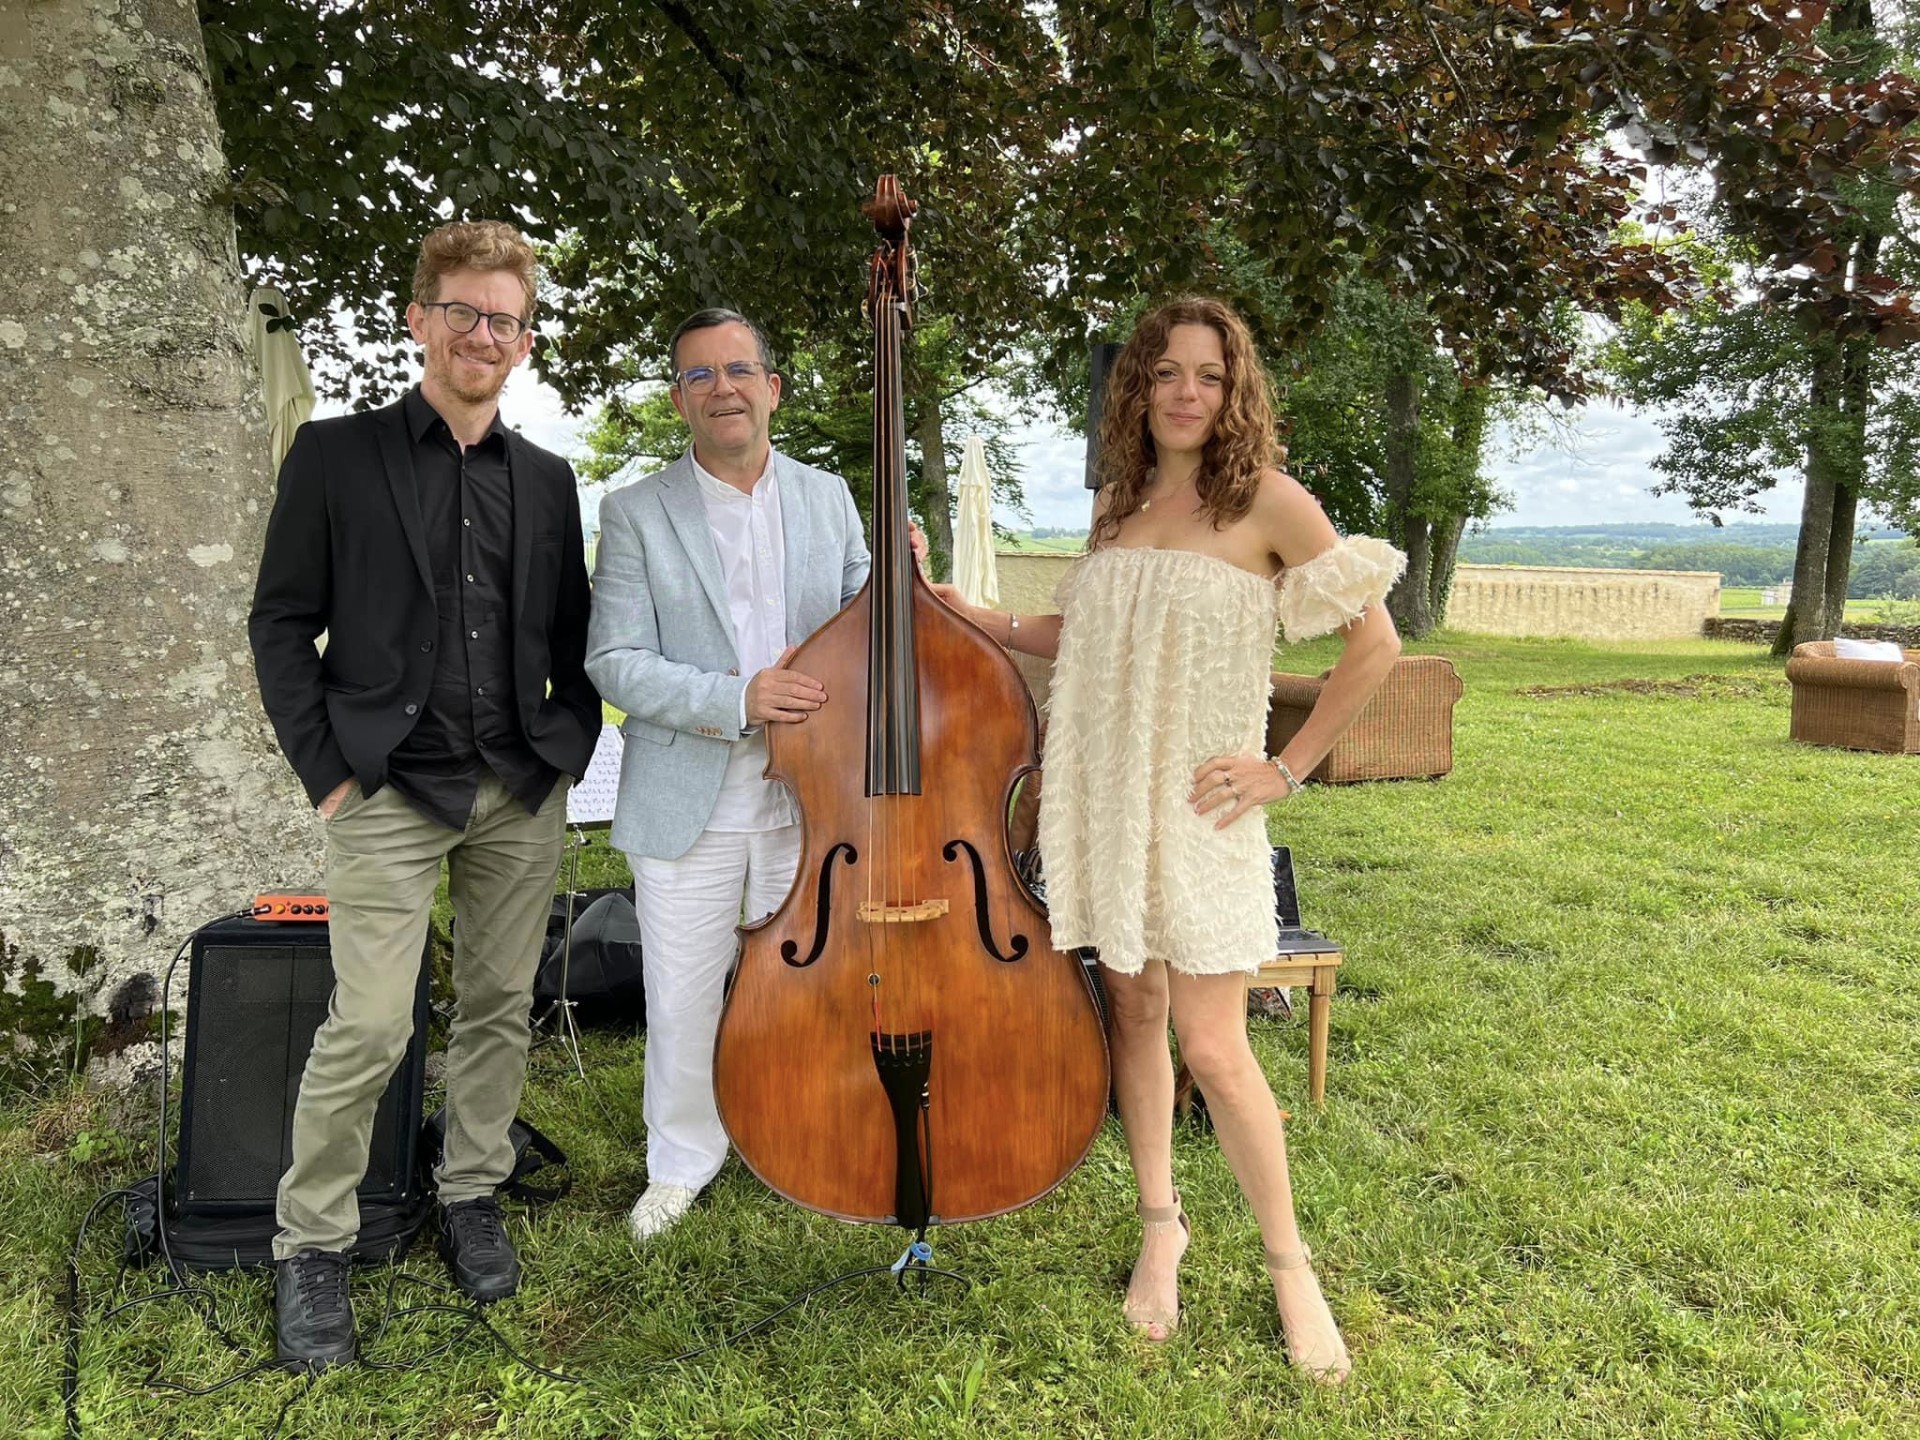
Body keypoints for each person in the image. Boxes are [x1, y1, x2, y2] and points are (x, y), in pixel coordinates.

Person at [936, 297, 1402, 1381]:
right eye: (1164, 374)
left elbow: (1373, 644)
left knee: (1215, 1044)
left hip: (1203, 805)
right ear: (1137, 390)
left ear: (1234, 393)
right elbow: (1085, 632)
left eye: (1207, 375)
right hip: (1102, 793)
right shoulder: (1118, 504)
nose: (1186, 392)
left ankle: (1291, 1267)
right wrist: (973, 614)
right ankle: (1162, 1226)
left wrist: (1286, 768)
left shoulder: (1270, 504)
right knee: (1131, 1008)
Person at [249, 220, 599, 1371]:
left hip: (517, 786)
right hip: (388, 789)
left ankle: (471, 1194)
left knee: (500, 1005)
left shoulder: (548, 481)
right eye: (463, 313)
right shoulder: (335, 457)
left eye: (505, 319)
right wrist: (327, 773)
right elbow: (280, 622)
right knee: (368, 1023)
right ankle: (311, 1245)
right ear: (420, 322)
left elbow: (572, 634)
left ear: (525, 341)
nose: (483, 335)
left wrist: (565, 748)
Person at [586, 308, 908, 1242]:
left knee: (811, 989)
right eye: (698, 375)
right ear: (680, 399)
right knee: (683, 994)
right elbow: (614, 660)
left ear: (771, 385)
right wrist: (739, 696)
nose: (721, 387)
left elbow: (863, 614)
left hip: (817, 800)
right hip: (691, 795)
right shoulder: (636, 511)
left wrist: (898, 585)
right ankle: (683, 1162)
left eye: (738, 370)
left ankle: (806, 1135)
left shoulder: (830, 496)